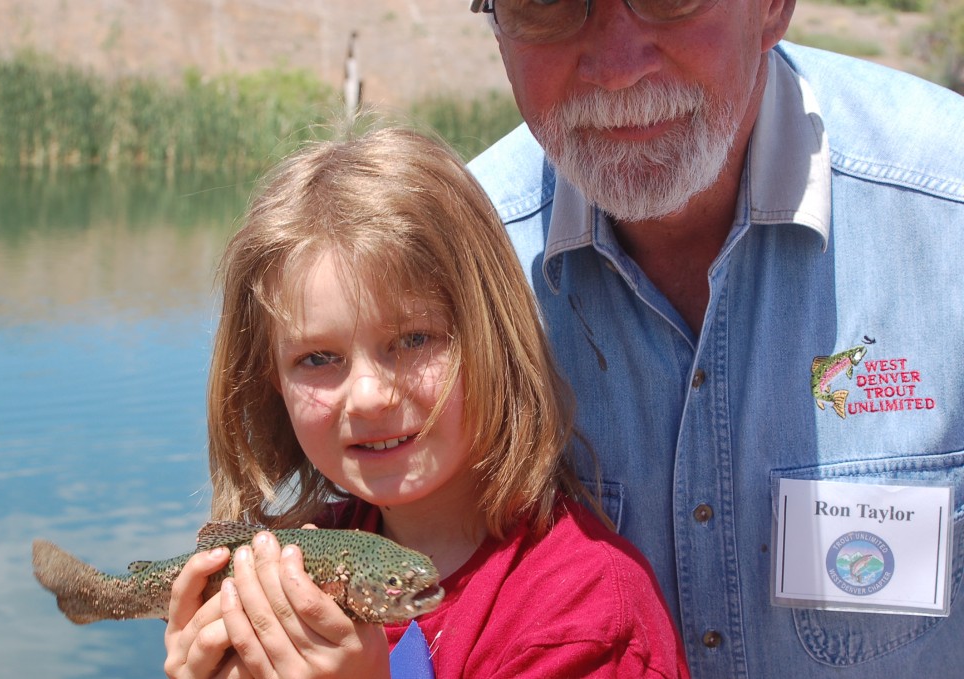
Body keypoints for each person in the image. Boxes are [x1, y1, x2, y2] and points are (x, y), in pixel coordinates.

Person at [465, 0, 964, 677]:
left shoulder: (945, 214)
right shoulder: (456, 275)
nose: (617, 69)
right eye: (549, 6)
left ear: (772, 8)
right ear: (497, 27)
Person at [163, 127, 690, 679]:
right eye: (318, 358)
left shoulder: (586, 617)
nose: (368, 396)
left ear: (495, 338)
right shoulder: (292, 573)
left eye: (413, 340)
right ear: (272, 380)